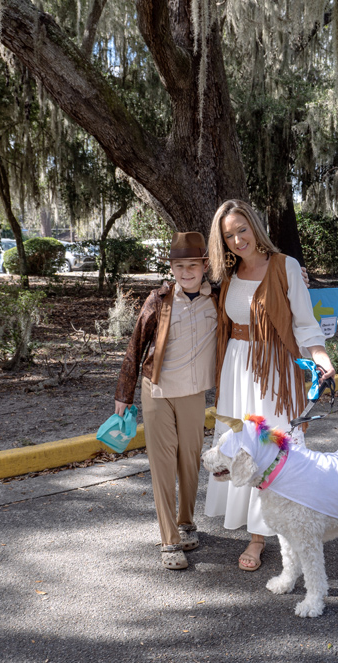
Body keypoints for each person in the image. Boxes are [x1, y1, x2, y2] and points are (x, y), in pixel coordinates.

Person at [203, 200, 336, 571]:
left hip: (274, 370)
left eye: (241, 229)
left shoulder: (285, 266)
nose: (236, 239)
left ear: (255, 227)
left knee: (275, 448)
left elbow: (306, 323)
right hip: (235, 368)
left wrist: (321, 360)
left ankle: (287, 529)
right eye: (228, 235)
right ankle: (257, 538)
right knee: (242, 447)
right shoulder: (227, 273)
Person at [115, 232, 218, 570]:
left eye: (192, 265)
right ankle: (169, 540)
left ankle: (187, 522)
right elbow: (136, 346)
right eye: (178, 266)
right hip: (156, 391)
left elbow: (255, 292)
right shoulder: (159, 299)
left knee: (189, 461)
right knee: (162, 466)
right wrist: (123, 394)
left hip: (192, 393)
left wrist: (297, 278)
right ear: (171, 267)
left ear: (205, 265)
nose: (185, 272)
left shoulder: (218, 298)